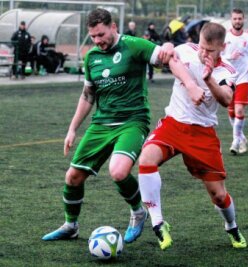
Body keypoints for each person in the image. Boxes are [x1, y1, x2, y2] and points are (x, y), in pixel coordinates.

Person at [42, 8, 176, 243]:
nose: (97, 41)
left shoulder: (134, 45)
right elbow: (87, 96)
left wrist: (168, 47)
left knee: (118, 171)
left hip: (133, 121)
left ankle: (138, 213)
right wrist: (72, 129)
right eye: (93, 36)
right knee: (72, 177)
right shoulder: (92, 57)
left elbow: (164, 58)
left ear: (113, 27)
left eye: (101, 35)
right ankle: (70, 226)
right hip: (102, 123)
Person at [138, 22, 247, 251]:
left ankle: (232, 226)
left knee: (218, 195)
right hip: (174, 124)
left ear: (223, 48)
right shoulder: (187, 50)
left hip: (202, 134)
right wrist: (168, 45)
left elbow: (227, 98)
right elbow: (167, 55)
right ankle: (158, 223)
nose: (203, 53)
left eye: (210, 51)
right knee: (146, 159)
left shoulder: (226, 71)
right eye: (202, 47)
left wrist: (207, 79)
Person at [222, 8, 248, 155]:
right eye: (235, 18)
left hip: (244, 77)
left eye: (240, 18)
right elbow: (219, 56)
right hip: (228, 78)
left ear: (243, 20)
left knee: (239, 110)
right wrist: (230, 56)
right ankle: (242, 138)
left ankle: (235, 142)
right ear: (231, 20)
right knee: (231, 113)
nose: (237, 21)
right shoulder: (224, 37)